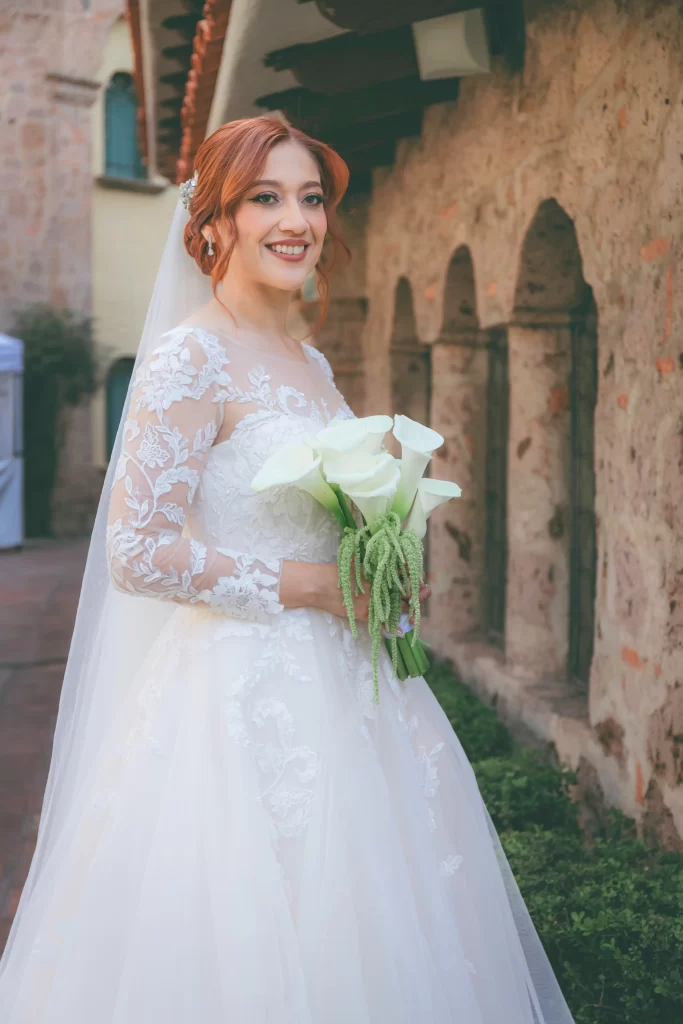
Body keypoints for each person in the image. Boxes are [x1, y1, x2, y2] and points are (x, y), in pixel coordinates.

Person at [0, 117, 575, 1023]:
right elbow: (137, 552)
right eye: (264, 197)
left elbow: (312, 515)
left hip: (356, 692)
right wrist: (313, 587)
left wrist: (377, 556)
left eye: (310, 197)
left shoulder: (305, 358)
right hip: (236, 704)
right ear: (213, 223)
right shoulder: (190, 355)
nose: (295, 218)